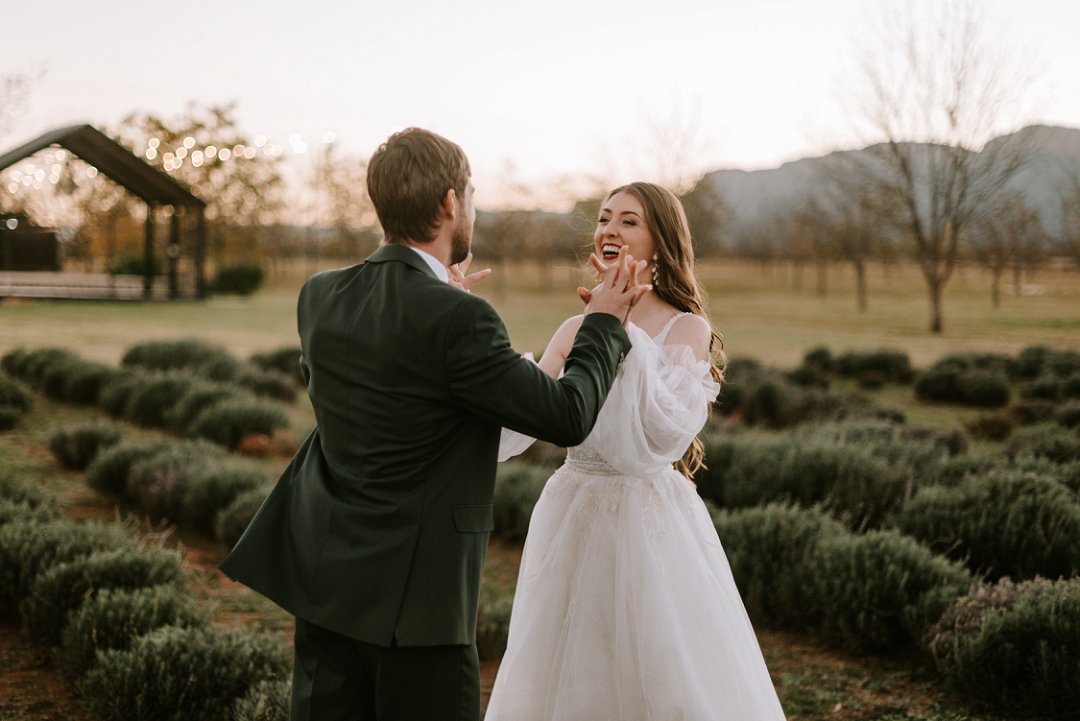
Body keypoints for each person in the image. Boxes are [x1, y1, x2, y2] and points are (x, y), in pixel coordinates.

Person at [219, 128, 651, 721]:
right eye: (471, 195)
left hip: (326, 585)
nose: (472, 207)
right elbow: (566, 415)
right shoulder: (460, 319)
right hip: (418, 606)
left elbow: (374, 392)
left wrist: (440, 307)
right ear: (451, 203)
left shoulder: (320, 294)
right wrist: (602, 322)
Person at [485, 182, 788, 720]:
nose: (609, 229)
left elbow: (662, 433)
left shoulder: (686, 327)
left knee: (658, 666)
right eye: (604, 219)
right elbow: (522, 416)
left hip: (646, 520)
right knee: (569, 660)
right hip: (571, 510)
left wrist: (619, 334)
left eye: (628, 221)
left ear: (660, 242)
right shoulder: (573, 328)